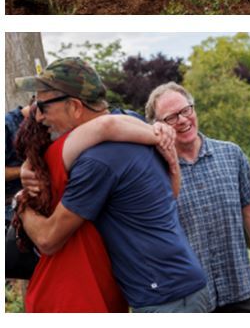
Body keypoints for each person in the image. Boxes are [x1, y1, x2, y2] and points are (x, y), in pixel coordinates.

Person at [15, 57, 211, 313]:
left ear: (74, 107)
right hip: (182, 285)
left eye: (43, 106)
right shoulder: (133, 123)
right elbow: (170, 195)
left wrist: (22, 205)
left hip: (165, 298)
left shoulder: (98, 161)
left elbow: (48, 239)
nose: (39, 116)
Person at [14, 97, 177, 312]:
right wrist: (158, 136)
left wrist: (20, 200)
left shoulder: (44, 167)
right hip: (76, 294)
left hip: (65, 290)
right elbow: (106, 124)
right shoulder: (60, 154)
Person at [144, 82, 250, 313]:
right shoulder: (153, 171)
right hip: (191, 301)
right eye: (171, 117)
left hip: (241, 291)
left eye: (186, 110)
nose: (183, 120)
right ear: (157, 126)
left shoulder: (231, 154)